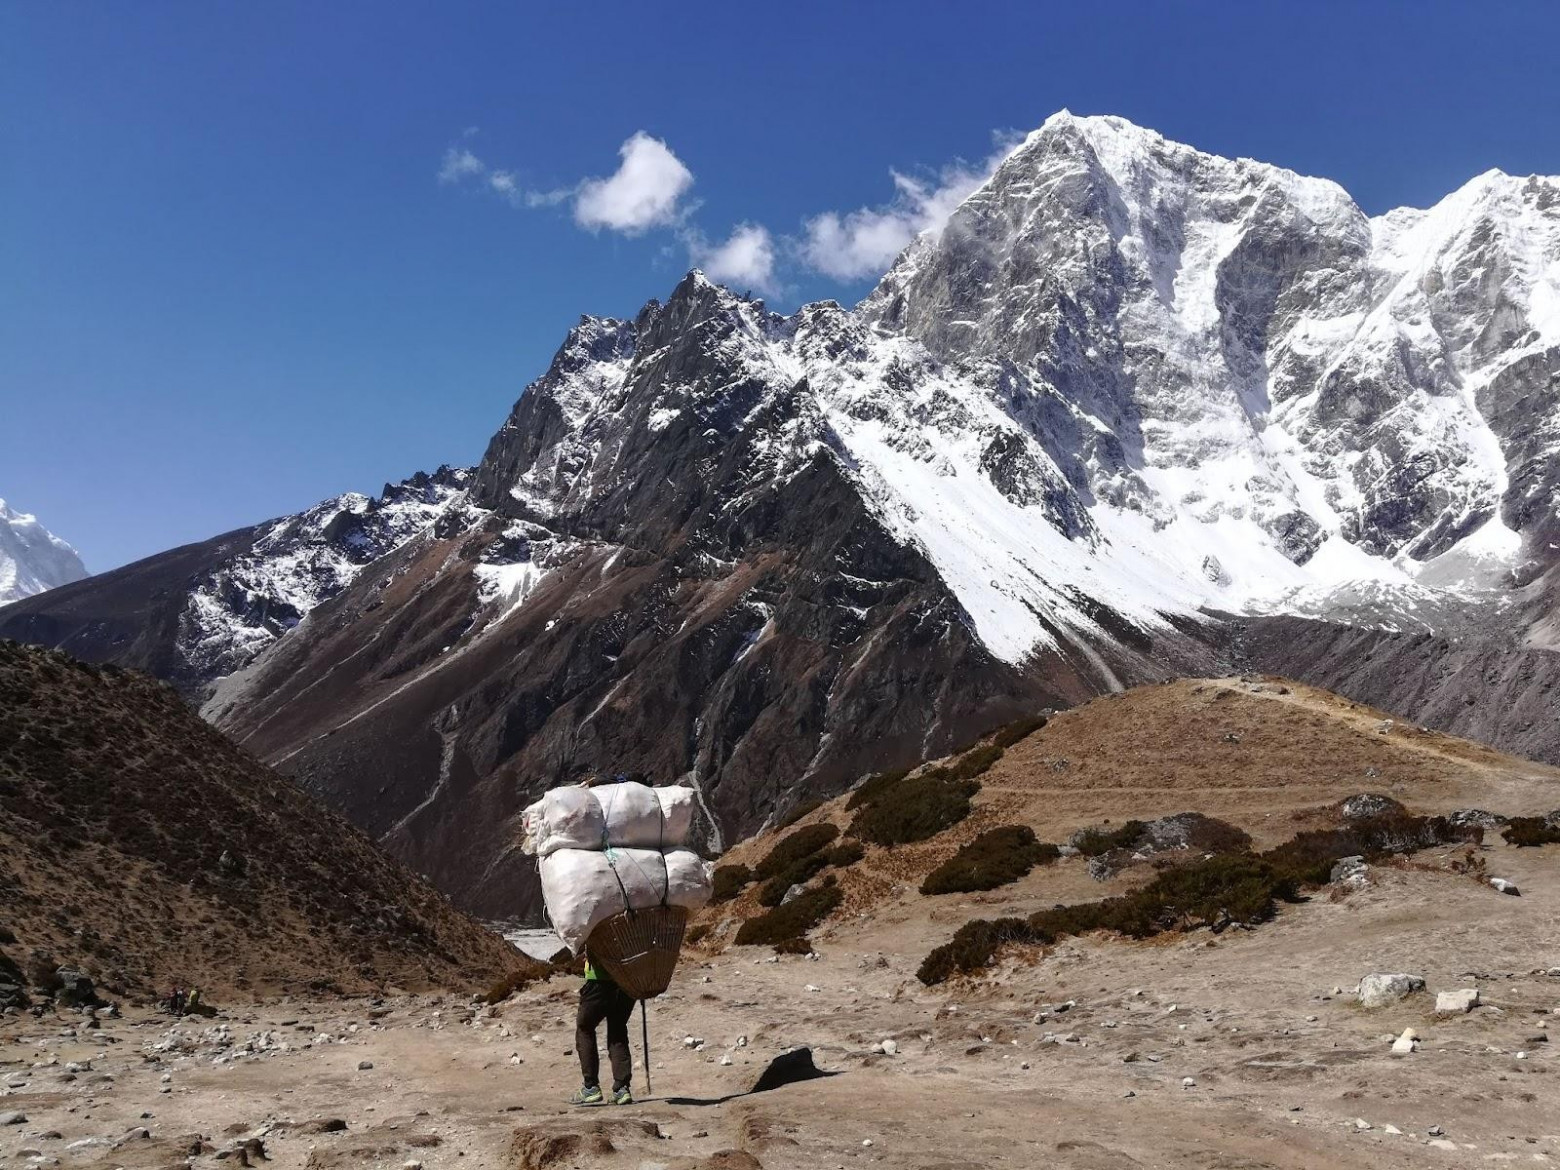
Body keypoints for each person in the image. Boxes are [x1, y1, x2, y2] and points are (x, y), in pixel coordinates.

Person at [569, 956, 636, 1105]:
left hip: (600, 978)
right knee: (617, 1028)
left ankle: (590, 1086)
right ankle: (621, 1089)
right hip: (629, 979)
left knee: (585, 1027)